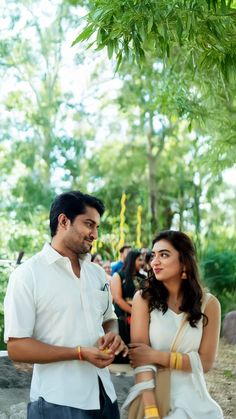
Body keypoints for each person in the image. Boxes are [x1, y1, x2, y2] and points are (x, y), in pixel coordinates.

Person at [4, 190, 128, 419]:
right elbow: (17, 347)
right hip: (57, 402)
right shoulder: (27, 275)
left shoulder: (97, 274)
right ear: (63, 221)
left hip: (105, 397)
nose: (95, 234)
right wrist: (79, 353)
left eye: (97, 227)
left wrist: (113, 335)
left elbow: (109, 318)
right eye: (89, 224)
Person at [128, 230, 223, 419]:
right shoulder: (143, 299)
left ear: (184, 262)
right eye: (153, 255)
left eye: (164, 255)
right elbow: (140, 361)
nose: (155, 261)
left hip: (195, 403)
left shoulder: (209, 304)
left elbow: (205, 363)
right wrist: (151, 411)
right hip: (155, 398)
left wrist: (155, 355)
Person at [111, 250, 146, 349]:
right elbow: (117, 298)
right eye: (139, 260)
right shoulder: (118, 276)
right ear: (132, 260)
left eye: (143, 260)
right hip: (123, 315)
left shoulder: (143, 277)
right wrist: (133, 312)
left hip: (141, 316)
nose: (142, 263)